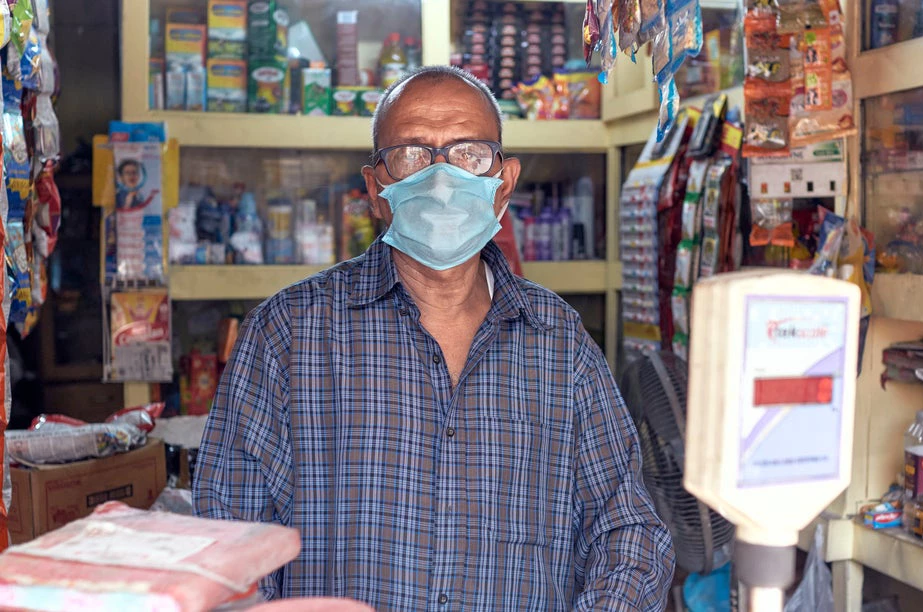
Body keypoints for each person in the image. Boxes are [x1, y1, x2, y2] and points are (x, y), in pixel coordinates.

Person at [194, 65, 675, 610]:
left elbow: (626, 528)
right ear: (377, 188)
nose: (443, 179)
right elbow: (229, 539)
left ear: (503, 183)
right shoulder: (288, 335)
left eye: (469, 153)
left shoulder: (560, 344)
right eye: (413, 155)